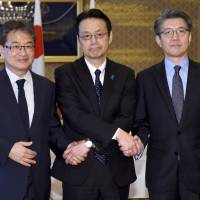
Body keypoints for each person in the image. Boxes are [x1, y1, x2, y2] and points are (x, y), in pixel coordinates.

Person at [52, 8, 142, 200]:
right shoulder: (65, 73)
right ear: (79, 40)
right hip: (80, 171)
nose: (93, 41)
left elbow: (126, 117)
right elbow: (75, 116)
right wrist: (117, 134)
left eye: (99, 34)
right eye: (86, 36)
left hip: (115, 171)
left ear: (110, 37)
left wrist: (89, 143)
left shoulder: (125, 74)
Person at [0, 20, 77, 200]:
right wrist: (7, 149)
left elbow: (51, 128)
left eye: (28, 46)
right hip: (4, 181)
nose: (23, 52)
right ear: (2, 50)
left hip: (39, 183)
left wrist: (69, 148)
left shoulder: (46, 87)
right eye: (15, 46)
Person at [133, 9, 200, 200]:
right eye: (168, 32)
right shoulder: (145, 78)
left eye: (181, 31)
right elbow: (141, 122)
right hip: (161, 173)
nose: (175, 37)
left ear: (190, 37)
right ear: (158, 40)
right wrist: (139, 140)